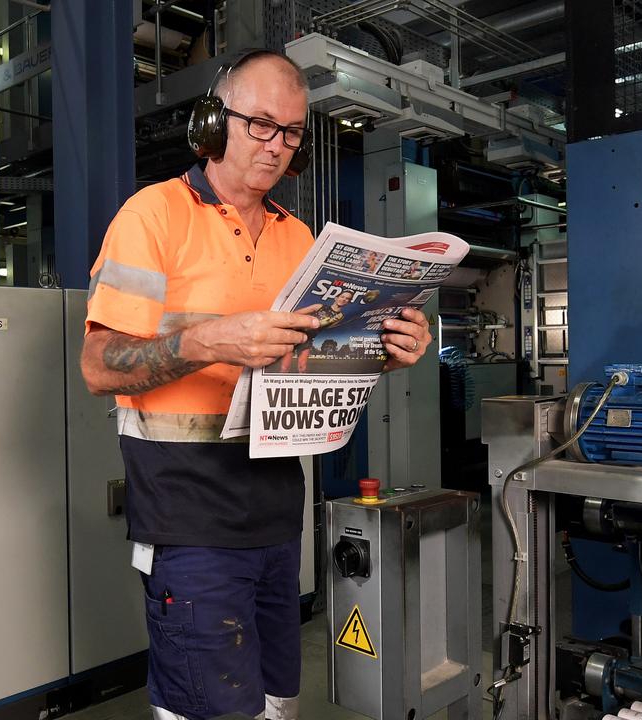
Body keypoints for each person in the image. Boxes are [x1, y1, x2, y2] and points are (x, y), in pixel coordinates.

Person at [80, 50, 432, 720]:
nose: (278, 146)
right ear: (215, 122)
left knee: (276, 703)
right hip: (188, 522)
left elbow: (322, 356)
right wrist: (209, 340)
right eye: (262, 125)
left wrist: (388, 353)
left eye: (293, 132)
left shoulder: (298, 239)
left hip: (276, 517)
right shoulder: (152, 218)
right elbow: (99, 365)